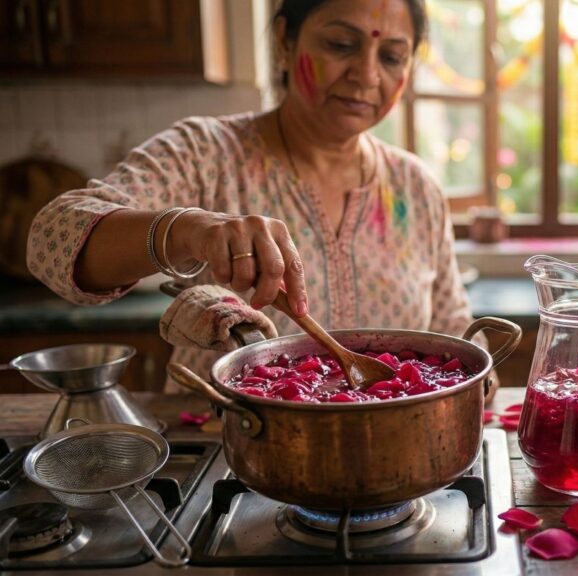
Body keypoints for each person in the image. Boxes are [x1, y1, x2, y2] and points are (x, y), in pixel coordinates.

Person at [27, 0, 483, 391]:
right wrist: (187, 229)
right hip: (233, 454)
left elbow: (455, 333)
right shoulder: (204, 153)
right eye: (341, 45)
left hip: (393, 457)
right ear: (285, 41)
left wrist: (479, 379)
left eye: (391, 56)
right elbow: (51, 241)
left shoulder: (415, 188)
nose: (366, 74)